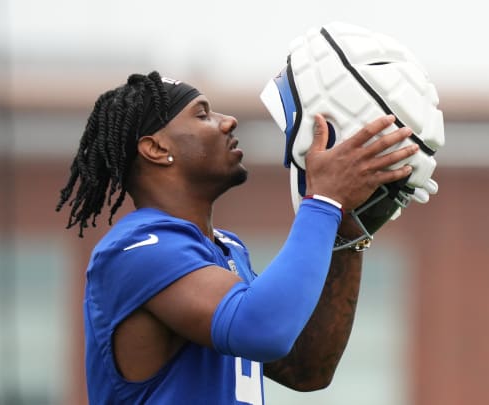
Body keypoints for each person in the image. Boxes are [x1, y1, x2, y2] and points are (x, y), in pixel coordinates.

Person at [56, 71, 418, 404]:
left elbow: (308, 368)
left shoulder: (225, 247)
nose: (227, 121)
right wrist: (324, 201)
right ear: (156, 149)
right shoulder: (136, 249)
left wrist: (346, 228)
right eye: (202, 115)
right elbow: (263, 330)